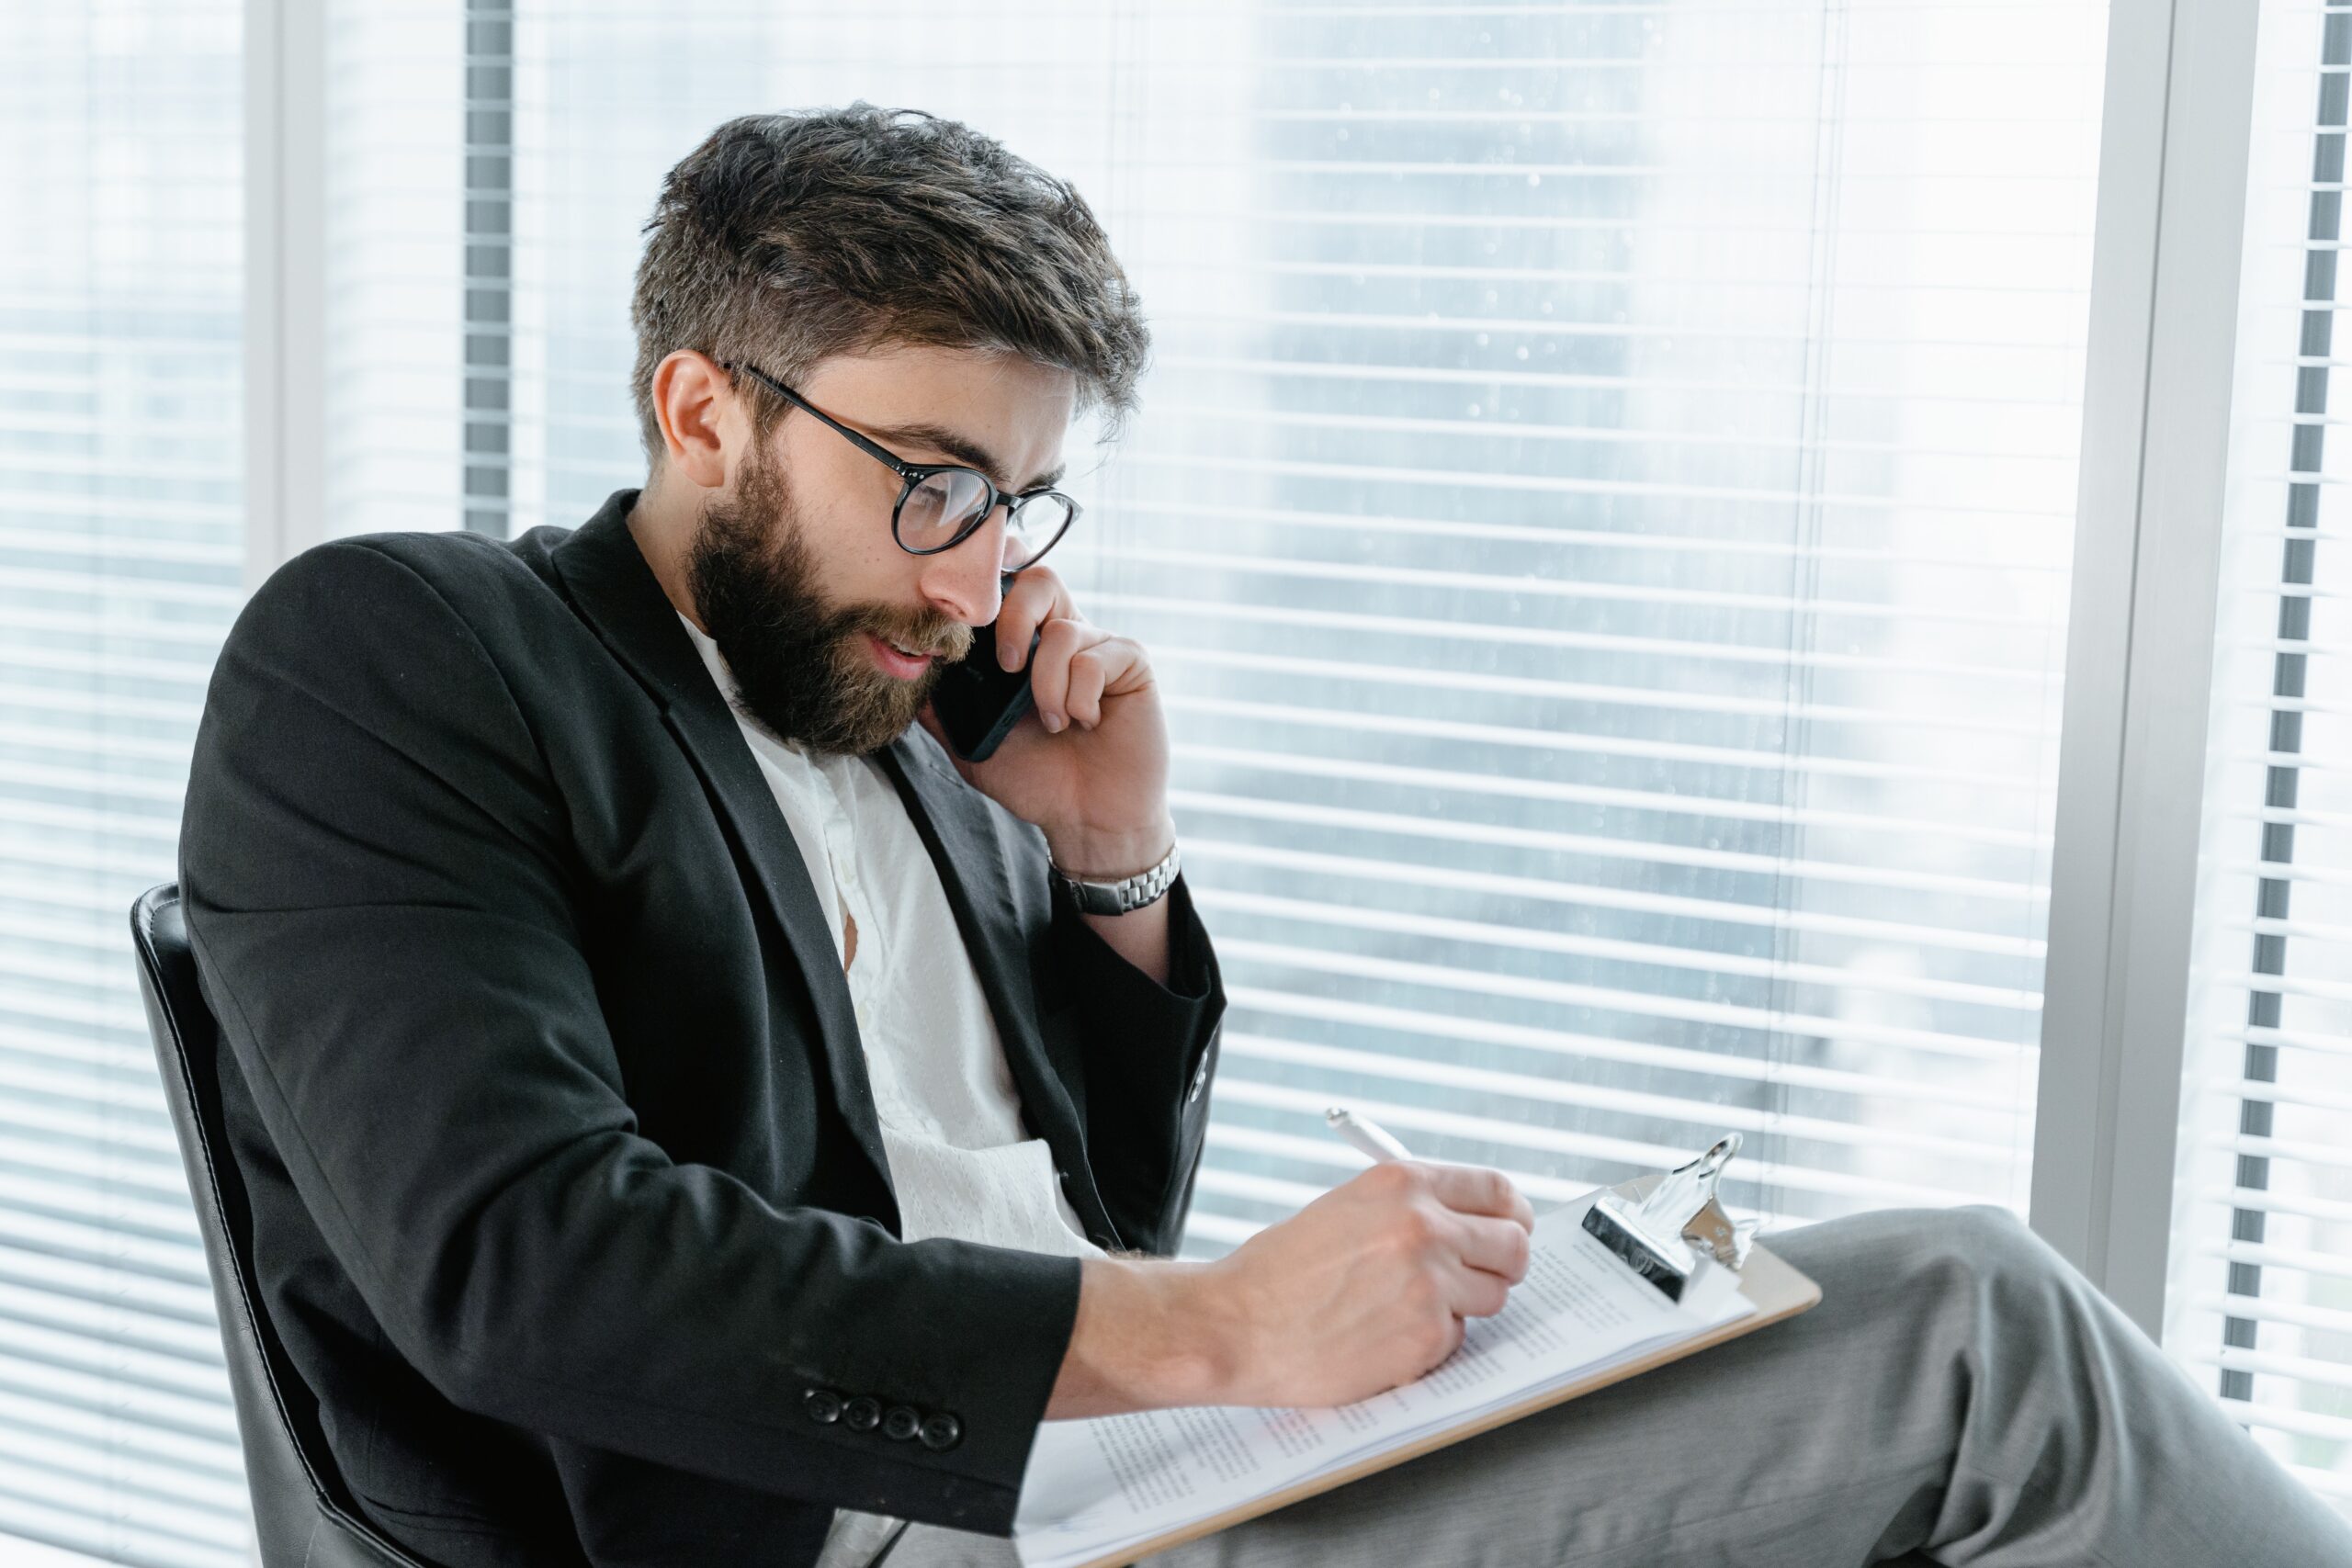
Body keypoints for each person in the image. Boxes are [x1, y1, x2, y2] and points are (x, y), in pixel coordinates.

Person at [177, 105, 2352, 1568]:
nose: (973, 572)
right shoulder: (408, 651)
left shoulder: (906, 704)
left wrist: (1110, 872)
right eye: (929, 479)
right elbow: (516, 1266)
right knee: (1975, 1330)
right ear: (699, 410)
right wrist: (1223, 1333)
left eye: (1016, 503)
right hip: (875, 1530)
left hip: (1118, 1479)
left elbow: (1085, 1207)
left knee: (1804, 1334)